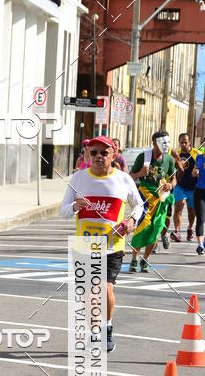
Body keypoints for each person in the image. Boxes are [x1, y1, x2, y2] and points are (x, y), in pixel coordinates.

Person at [60, 136, 143, 353]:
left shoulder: (124, 180)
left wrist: (131, 221)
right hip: (84, 246)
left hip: (112, 246)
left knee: (105, 290)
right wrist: (75, 206)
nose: (98, 156)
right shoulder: (78, 179)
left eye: (103, 153)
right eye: (94, 152)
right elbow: (63, 211)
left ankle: (107, 327)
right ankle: (95, 332)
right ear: (88, 154)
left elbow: (139, 205)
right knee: (89, 294)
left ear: (114, 155)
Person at [128, 130, 176, 272]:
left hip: (161, 198)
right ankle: (134, 259)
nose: (166, 145)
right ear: (154, 143)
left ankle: (145, 259)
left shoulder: (169, 159)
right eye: (163, 142)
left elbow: (173, 177)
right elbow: (129, 177)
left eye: (168, 142)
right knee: (142, 227)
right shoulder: (143, 157)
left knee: (156, 229)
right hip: (144, 196)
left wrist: (171, 185)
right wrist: (140, 174)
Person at [169, 132, 196, 243]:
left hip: (193, 187)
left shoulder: (195, 153)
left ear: (189, 142)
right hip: (180, 186)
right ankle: (177, 231)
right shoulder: (176, 154)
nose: (184, 144)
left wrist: (197, 171)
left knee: (191, 210)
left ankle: (190, 227)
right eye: (181, 143)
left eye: (186, 142)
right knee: (178, 207)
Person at [191, 147, 205, 255]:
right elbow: (194, 172)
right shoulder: (199, 158)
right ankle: (200, 245)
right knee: (200, 218)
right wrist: (195, 171)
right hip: (199, 191)